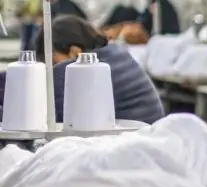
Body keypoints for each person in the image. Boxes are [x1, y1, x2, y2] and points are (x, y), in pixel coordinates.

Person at [0, 15, 165, 124]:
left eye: (53, 63)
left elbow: (39, 107)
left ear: (74, 52)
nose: (52, 71)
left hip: (131, 153)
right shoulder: (116, 56)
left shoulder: (92, 69)